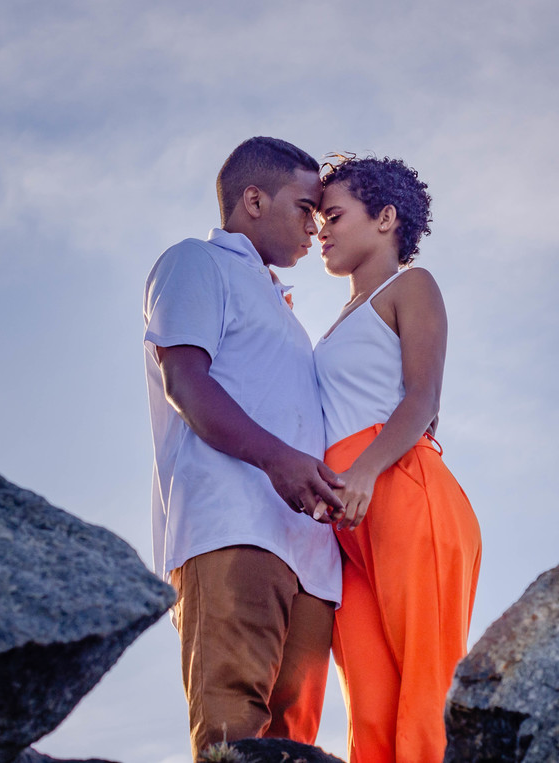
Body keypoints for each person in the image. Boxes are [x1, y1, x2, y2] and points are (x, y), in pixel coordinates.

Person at [142, 136, 346, 758]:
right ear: (253, 201)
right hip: (232, 528)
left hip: (311, 558)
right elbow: (186, 382)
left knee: (292, 748)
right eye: (306, 208)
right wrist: (278, 460)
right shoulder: (196, 262)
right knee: (231, 737)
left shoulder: (286, 311)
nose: (315, 226)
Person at [311, 155, 483, 763]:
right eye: (317, 220)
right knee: (371, 703)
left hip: (403, 491)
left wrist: (364, 470)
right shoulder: (335, 324)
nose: (321, 231)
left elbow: (423, 398)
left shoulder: (411, 286)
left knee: (426, 693)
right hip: (348, 519)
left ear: (385, 218)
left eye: (334, 216)